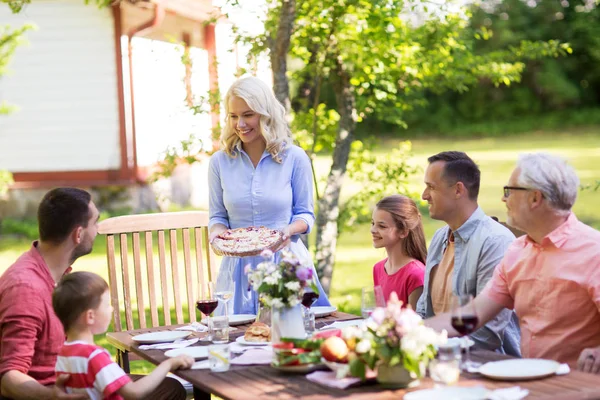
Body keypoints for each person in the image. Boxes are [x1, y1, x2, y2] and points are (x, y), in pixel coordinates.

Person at [0, 188, 187, 400]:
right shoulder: (25, 288)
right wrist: (52, 396)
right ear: (78, 234)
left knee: (169, 388)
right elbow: (8, 377)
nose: (97, 230)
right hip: (56, 393)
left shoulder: (57, 276)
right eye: (95, 222)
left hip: (78, 384)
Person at [426, 153, 600, 373]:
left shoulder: (593, 251)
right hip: (531, 381)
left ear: (535, 198)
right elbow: (473, 314)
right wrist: (405, 331)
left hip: (582, 387)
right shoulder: (517, 252)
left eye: (509, 191)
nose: (503, 199)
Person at [208, 76, 330, 315]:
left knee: (293, 340)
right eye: (233, 116)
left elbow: (305, 215)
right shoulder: (219, 162)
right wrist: (217, 236)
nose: (240, 124)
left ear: (265, 114)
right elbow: (217, 217)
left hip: (286, 266)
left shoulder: (295, 158)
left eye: (248, 114)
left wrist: (287, 231)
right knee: (235, 341)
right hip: (238, 271)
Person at [416, 151, 521, 355]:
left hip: (486, 366)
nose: (424, 195)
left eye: (431, 187)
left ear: (458, 190)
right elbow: (423, 313)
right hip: (438, 355)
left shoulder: (495, 241)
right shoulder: (440, 238)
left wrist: (422, 343)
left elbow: (486, 334)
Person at [52, 272, 194, 399]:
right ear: (90, 316)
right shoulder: (95, 357)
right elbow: (134, 392)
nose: (112, 309)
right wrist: (168, 364)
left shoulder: (64, 354)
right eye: (107, 305)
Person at [371, 195, 426, 309]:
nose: (373, 230)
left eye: (382, 226)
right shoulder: (378, 269)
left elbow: (416, 323)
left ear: (403, 232)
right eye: (373, 223)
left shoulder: (416, 274)